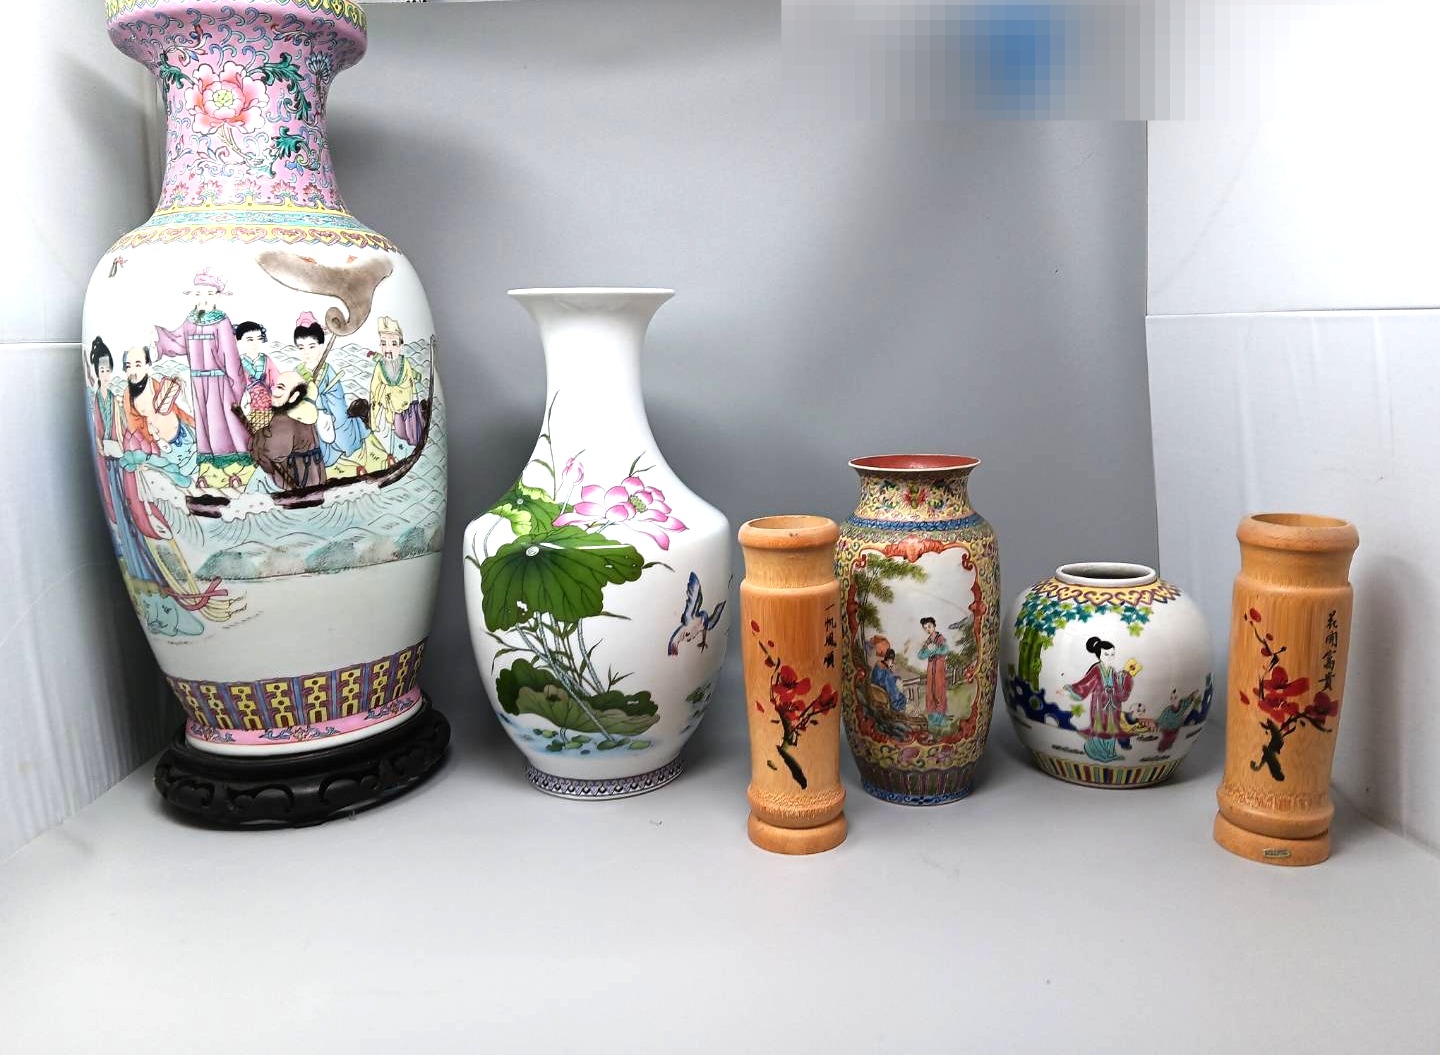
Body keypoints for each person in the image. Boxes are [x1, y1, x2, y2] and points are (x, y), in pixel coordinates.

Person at [152, 268, 253, 488]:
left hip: (220, 383)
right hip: (198, 381)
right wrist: (158, 341)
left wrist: (236, 385)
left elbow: (230, 356)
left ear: (217, 296)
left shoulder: (222, 321)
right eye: (198, 293)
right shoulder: (190, 320)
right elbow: (179, 342)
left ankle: (234, 467)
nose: (203, 298)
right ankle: (208, 469)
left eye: (208, 293)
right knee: (205, 425)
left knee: (225, 423)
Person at [292, 310, 368, 468]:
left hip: (329, 416)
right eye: (301, 347)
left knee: (341, 438)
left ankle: (358, 425)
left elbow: (337, 400)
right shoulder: (296, 372)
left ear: (321, 347)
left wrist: (319, 402)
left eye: (311, 346)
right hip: (305, 418)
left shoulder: (328, 371)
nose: (306, 352)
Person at [242, 371, 327, 491]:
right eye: (274, 386)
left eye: (280, 388)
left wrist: (258, 438)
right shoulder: (305, 418)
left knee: (257, 481)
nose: (273, 391)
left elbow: (272, 453)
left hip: (294, 483)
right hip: (315, 479)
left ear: (294, 396)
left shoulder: (284, 420)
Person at [1065, 636, 1136, 763]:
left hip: (1112, 705)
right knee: (1100, 727)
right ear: (1099, 655)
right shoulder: (1096, 669)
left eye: (1112, 654)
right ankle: (1097, 752)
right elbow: (1086, 683)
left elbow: (1118, 687)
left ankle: (1110, 753)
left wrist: (1124, 678)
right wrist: (1072, 690)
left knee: (1112, 729)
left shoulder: (1112, 671)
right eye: (1106, 654)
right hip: (1099, 704)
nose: (1110, 657)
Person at [235, 320, 279, 427]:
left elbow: (277, 382)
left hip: (268, 407)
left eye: (258, 338)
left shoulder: (267, 360)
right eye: (250, 339)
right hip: (246, 408)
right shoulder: (237, 363)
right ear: (238, 341)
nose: (255, 343)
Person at [916, 616, 949, 734]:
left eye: (929, 626)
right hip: (931, 668)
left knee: (939, 690)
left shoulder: (940, 638)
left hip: (939, 667)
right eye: (925, 628)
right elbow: (920, 655)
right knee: (930, 691)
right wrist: (928, 651)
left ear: (934, 626)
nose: (928, 629)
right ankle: (933, 718)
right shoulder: (928, 641)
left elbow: (945, 650)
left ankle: (941, 719)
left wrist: (934, 650)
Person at [870, 647, 908, 713]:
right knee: (901, 697)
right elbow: (892, 691)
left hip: (875, 690)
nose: (892, 664)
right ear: (890, 660)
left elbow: (882, 679)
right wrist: (902, 699)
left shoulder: (878, 666)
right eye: (892, 662)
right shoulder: (886, 672)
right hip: (883, 695)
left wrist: (895, 677)